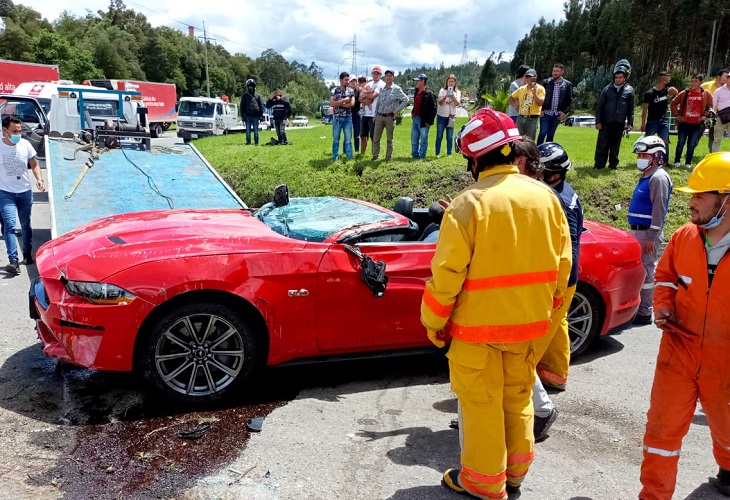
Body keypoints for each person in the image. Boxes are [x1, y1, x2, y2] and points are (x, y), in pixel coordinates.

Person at [421, 108, 571, 500]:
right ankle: (516, 474)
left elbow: (446, 278)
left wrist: (433, 324)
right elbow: (563, 267)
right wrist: (547, 309)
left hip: (477, 333)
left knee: (481, 406)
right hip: (528, 327)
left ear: (474, 158)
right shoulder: (546, 198)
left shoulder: (467, 206)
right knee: (517, 400)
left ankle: (484, 483)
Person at [639, 151, 730, 500]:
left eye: (700, 195)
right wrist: (663, 305)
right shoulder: (684, 237)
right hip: (679, 351)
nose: (691, 203)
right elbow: (665, 277)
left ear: (726, 200)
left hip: (725, 359)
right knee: (661, 432)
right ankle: (653, 496)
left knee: (726, 425)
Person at [627, 136, 673, 325]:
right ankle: (639, 307)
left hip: (647, 233)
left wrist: (651, 237)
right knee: (640, 269)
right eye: (639, 154)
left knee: (647, 270)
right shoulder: (646, 175)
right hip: (638, 231)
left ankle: (645, 311)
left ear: (657, 156)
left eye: (645, 154)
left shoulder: (659, 178)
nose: (641, 157)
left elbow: (659, 210)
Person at [0, 115, 45, 275]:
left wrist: (39, 179)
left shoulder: (25, 145)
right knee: (9, 226)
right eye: (14, 131)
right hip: (5, 193)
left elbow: (34, 164)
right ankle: (13, 261)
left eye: (20, 131)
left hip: (25, 192)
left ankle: (27, 253)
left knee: (26, 225)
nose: (18, 134)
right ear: (5, 130)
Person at [593, 59, 635, 170]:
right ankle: (599, 165)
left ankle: (613, 165)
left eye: (620, 77)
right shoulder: (606, 89)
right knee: (602, 144)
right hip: (606, 122)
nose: (618, 79)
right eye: (616, 77)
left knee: (615, 145)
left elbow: (631, 109)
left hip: (619, 122)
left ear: (625, 78)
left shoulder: (629, 91)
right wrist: (598, 121)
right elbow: (600, 106)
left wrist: (630, 123)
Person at [670, 74, 713, 169]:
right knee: (680, 142)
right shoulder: (685, 93)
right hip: (684, 123)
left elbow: (710, 106)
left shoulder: (706, 94)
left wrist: (704, 116)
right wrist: (677, 115)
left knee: (691, 144)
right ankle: (677, 161)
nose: (693, 83)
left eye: (696, 81)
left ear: (701, 83)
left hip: (696, 124)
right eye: (692, 81)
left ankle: (688, 163)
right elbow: (673, 103)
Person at [640, 72, 679, 162]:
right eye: (668, 80)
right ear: (664, 81)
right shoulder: (649, 93)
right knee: (647, 141)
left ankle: (665, 161)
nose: (669, 82)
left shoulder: (666, 91)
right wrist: (643, 123)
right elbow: (644, 109)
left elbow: (676, 93)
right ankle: (645, 159)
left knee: (665, 142)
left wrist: (674, 90)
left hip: (663, 121)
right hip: (652, 121)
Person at [372, 69, 409, 161]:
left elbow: (406, 100)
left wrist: (397, 110)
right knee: (376, 138)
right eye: (387, 75)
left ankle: (388, 157)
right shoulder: (381, 88)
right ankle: (375, 156)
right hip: (380, 116)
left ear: (393, 77)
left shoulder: (396, 89)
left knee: (389, 139)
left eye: (390, 75)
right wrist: (375, 115)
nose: (388, 77)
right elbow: (378, 103)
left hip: (389, 117)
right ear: (385, 77)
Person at [538, 64, 573, 145]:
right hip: (545, 113)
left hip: (557, 115)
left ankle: (548, 154)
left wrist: (565, 112)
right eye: (553, 71)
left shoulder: (567, 85)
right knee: (542, 133)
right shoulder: (546, 82)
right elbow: (539, 97)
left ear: (562, 72)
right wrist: (540, 110)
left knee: (550, 135)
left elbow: (570, 100)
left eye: (557, 71)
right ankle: (537, 153)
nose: (554, 73)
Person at [509, 68, 545, 140]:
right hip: (521, 117)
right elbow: (510, 98)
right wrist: (516, 106)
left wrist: (535, 94)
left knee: (530, 140)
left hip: (532, 119)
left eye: (531, 77)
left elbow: (540, 103)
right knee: (517, 139)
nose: (529, 78)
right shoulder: (521, 89)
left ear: (535, 77)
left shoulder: (540, 89)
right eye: (527, 76)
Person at [359, 66, 386, 155]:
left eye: (377, 73)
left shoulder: (382, 84)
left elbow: (373, 96)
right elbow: (359, 98)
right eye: (374, 73)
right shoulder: (369, 84)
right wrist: (364, 99)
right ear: (372, 74)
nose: (375, 75)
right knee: (363, 135)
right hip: (365, 114)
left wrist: (365, 97)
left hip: (374, 114)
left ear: (380, 75)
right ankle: (362, 154)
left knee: (373, 136)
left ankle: (374, 154)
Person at [701, 68, 729, 153]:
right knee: (715, 139)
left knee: (715, 138)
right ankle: (713, 156)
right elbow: (713, 104)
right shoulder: (714, 89)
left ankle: (713, 155)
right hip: (713, 116)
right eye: (727, 77)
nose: (727, 79)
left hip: (725, 116)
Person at [410, 73, 437, 159]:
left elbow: (434, 109)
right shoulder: (416, 92)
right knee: (414, 138)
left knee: (423, 140)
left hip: (424, 120)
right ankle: (415, 155)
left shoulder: (429, 94)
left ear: (423, 81)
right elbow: (416, 104)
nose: (416, 82)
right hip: (415, 119)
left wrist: (429, 122)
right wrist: (413, 112)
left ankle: (422, 156)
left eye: (418, 81)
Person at [435, 74, 461, 158]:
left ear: (455, 83)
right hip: (441, 116)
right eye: (449, 81)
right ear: (447, 82)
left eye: (452, 81)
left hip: (451, 116)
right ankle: (437, 153)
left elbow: (457, 104)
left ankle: (449, 153)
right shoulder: (442, 90)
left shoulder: (457, 92)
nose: (450, 83)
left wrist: (453, 96)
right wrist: (446, 96)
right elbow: (439, 102)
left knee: (449, 136)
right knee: (439, 135)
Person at [330, 72, 355, 160]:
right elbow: (332, 103)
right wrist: (344, 100)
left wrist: (339, 103)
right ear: (341, 80)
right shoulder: (334, 91)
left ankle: (350, 157)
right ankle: (334, 157)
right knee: (336, 139)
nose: (347, 81)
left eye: (348, 79)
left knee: (348, 140)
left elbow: (352, 104)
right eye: (346, 80)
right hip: (337, 118)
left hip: (348, 118)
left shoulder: (351, 91)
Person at [240, 79, 264, 145]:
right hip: (247, 116)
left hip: (256, 116)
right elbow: (242, 106)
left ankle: (256, 142)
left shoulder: (258, 96)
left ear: (254, 87)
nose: (251, 88)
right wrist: (242, 116)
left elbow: (261, 106)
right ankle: (248, 142)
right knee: (248, 131)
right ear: (247, 87)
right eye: (249, 86)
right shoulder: (245, 96)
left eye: (252, 86)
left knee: (256, 131)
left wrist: (261, 116)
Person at [711, 73, 730, 154]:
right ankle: (714, 157)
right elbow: (713, 105)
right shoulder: (719, 91)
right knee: (717, 139)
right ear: (727, 79)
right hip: (720, 118)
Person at [348, 76, 362, 153]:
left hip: (357, 113)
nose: (353, 82)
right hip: (348, 114)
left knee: (357, 134)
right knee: (348, 135)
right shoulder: (346, 91)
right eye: (351, 81)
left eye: (355, 81)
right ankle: (346, 151)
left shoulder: (359, 91)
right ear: (348, 83)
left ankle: (356, 151)